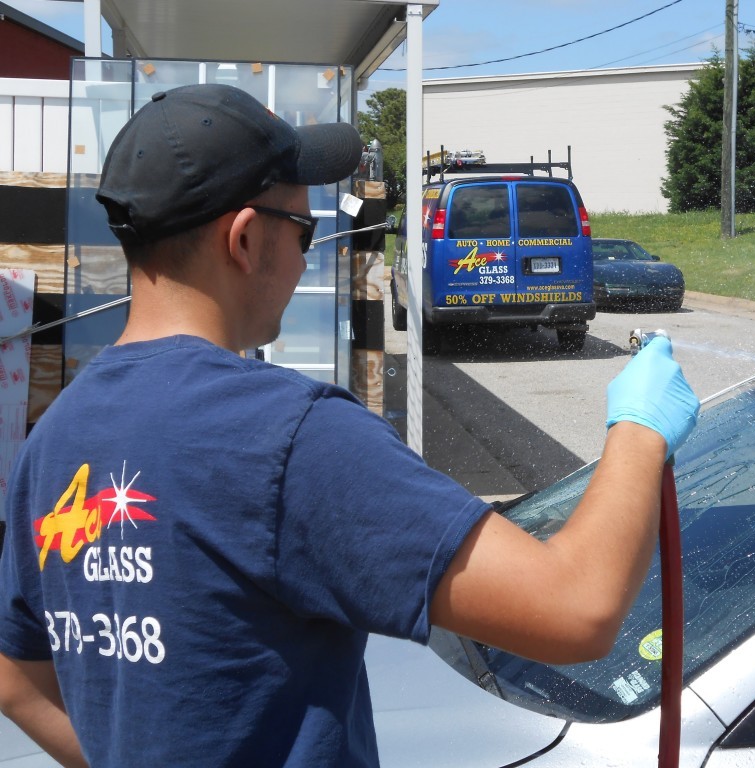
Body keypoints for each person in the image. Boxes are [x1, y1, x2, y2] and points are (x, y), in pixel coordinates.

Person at [0, 84, 699, 767]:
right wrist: (639, 428)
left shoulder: (55, 436)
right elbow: (577, 608)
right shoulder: (291, 438)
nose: (311, 253)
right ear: (243, 239)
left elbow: (15, 679)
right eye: (303, 229)